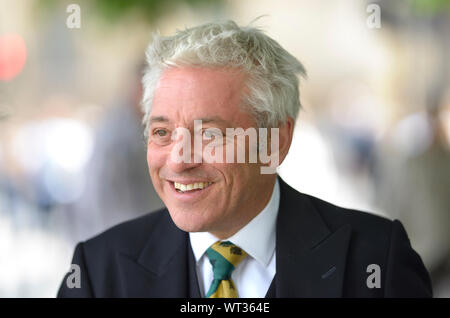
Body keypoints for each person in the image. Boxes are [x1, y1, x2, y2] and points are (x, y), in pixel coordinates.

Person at [57, 20, 432, 298]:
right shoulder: (98, 271)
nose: (179, 161)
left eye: (210, 134)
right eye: (162, 132)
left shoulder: (375, 261)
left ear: (275, 142)